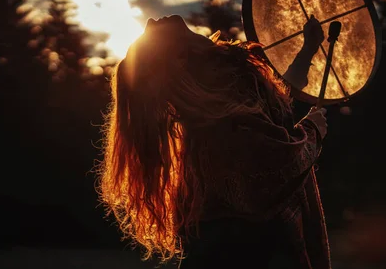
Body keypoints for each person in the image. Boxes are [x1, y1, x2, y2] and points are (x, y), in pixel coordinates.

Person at [96, 14, 331, 269]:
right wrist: (313, 131)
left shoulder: (227, 81)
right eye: (152, 32)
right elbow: (278, 164)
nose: (151, 20)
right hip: (243, 252)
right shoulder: (216, 120)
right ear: (178, 59)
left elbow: (278, 96)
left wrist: (309, 47)